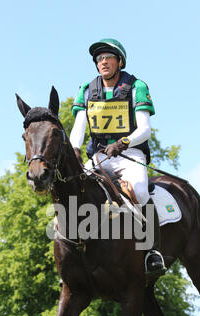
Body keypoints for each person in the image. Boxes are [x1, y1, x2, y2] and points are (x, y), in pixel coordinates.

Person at [70, 38, 165, 276]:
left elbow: (145, 129)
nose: (103, 62)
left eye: (108, 58)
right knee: (76, 190)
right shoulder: (87, 89)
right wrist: (74, 149)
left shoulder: (136, 87)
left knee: (140, 190)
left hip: (130, 152)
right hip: (100, 156)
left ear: (119, 62)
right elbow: (79, 127)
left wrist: (122, 143)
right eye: (99, 59)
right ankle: (75, 249)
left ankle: (152, 250)